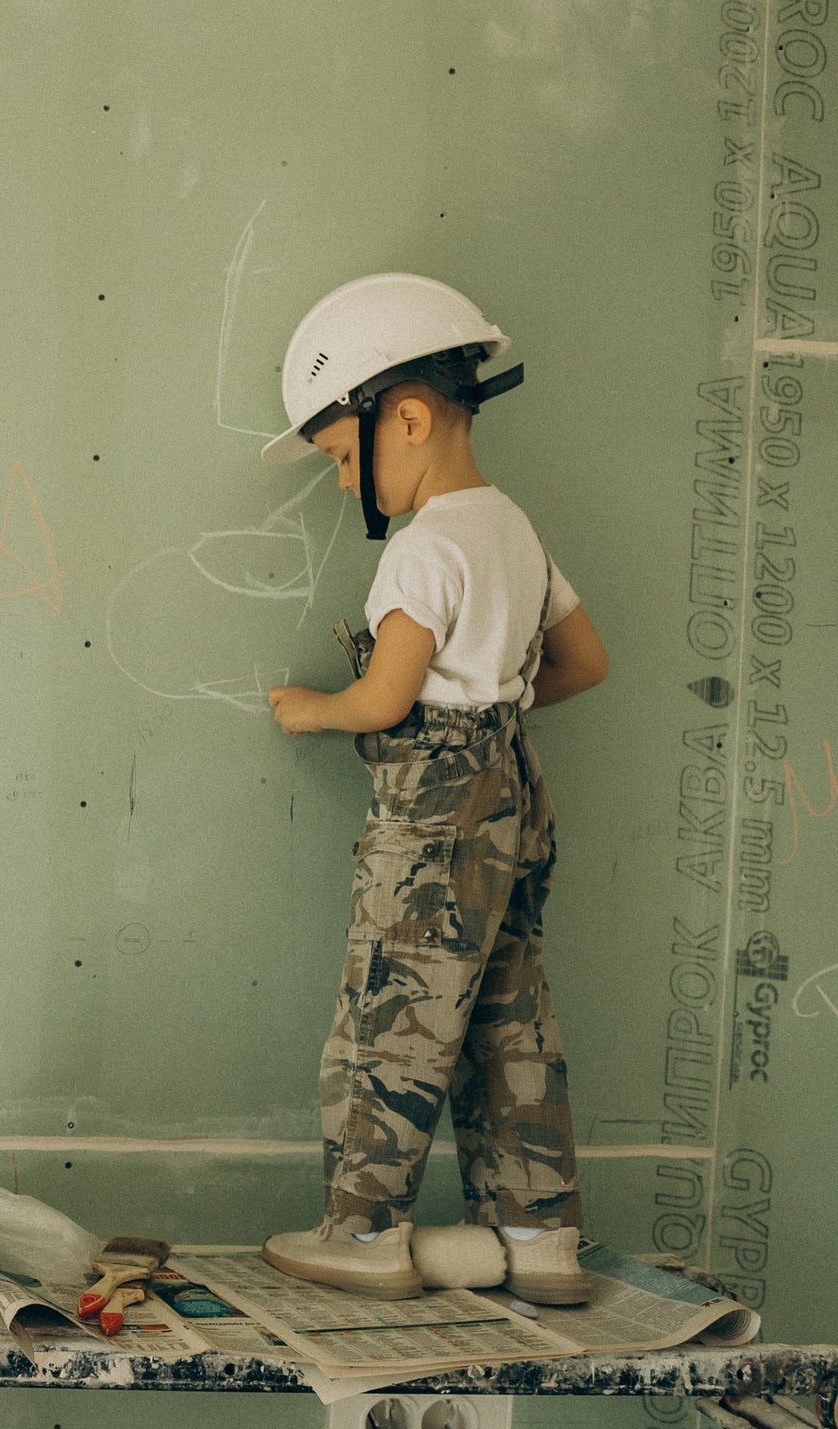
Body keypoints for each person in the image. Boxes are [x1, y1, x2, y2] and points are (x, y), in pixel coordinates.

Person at [257, 275, 609, 1304]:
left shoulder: (423, 551)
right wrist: (489, 709)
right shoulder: (513, 530)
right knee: (510, 1016)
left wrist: (308, 707)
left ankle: (363, 1235)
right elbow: (584, 662)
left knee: (393, 1014)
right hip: (512, 799)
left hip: (432, 821)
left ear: (403, 419)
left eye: (334, 457)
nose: (334, 481)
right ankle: (540, 1238)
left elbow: (384, 698)